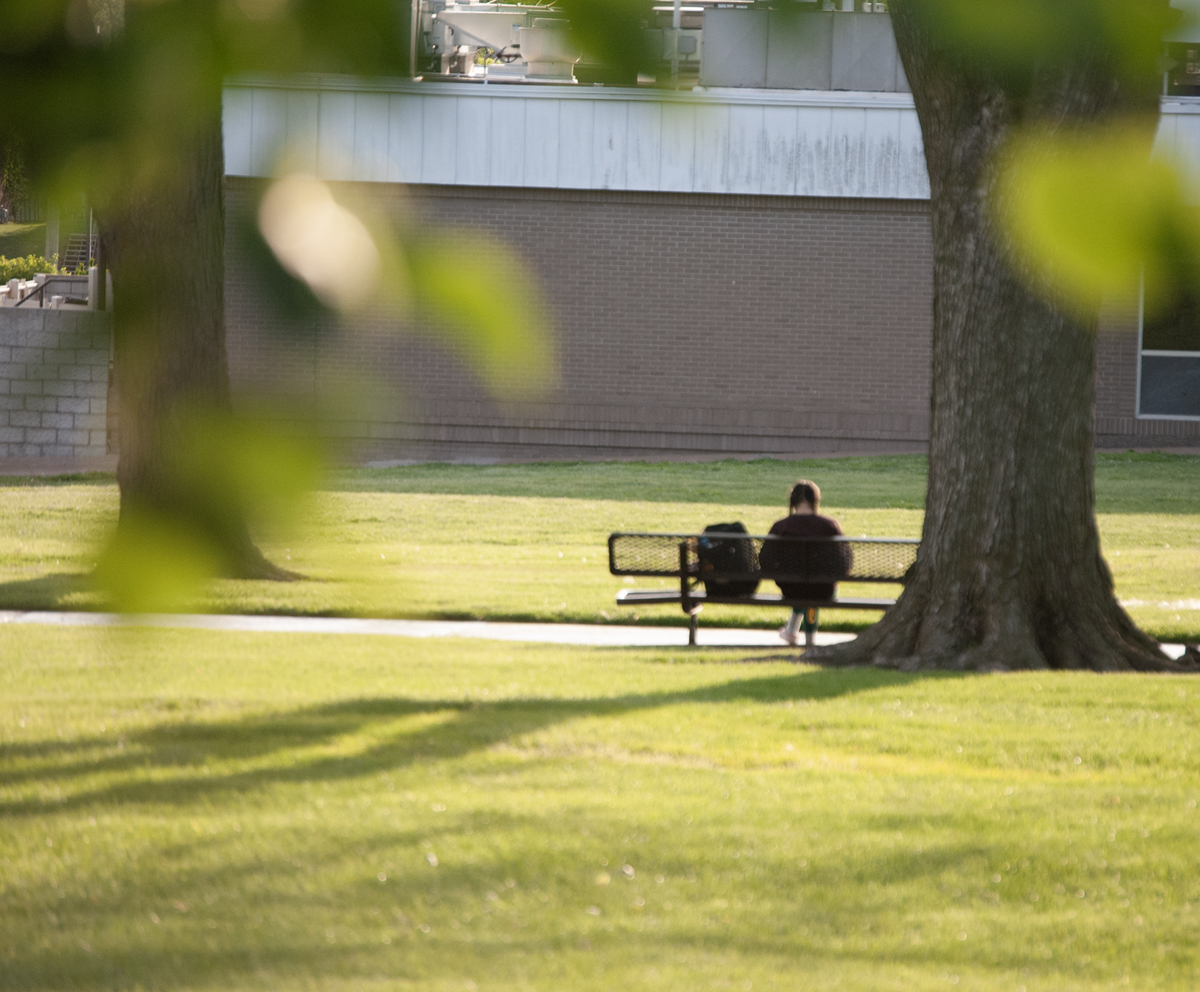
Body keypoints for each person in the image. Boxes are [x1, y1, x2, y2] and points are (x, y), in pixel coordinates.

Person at [760, 479, 850, 646]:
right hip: (823, 589)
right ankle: (809, 639)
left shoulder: (781, 527)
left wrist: (782, 575)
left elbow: (765, 559)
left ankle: (792, 630)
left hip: (791, 588)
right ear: (815, 501)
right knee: (815, 586)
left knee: (803, 587)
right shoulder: (829, 526)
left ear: (793, 501)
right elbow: (844, 560)